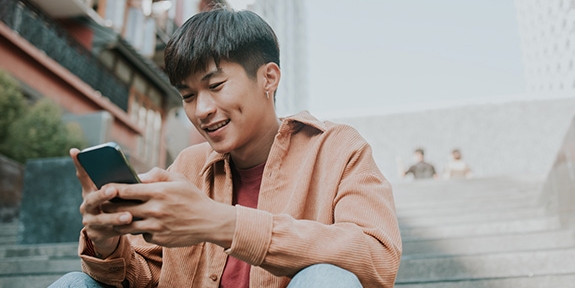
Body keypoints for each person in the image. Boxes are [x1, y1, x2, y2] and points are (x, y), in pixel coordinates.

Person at [49, 8, 401, 288]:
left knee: (326, 280)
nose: (201, 110)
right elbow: (145, 275)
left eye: (215, 85)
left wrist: (221, 223)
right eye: (187, 96)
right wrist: (107, 242)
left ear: (269, 77)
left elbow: (377, 258)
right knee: (73, 283)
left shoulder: (338, 149)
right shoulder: (187, 165)